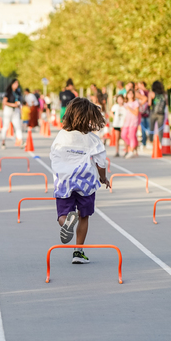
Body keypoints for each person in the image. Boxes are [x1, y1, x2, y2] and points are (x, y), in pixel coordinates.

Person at [50, 97, 109, 264]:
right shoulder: (92, 139)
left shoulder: (61, 135)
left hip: (65, 181)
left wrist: (60, 172)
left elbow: (54, 155)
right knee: (84, 216)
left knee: (63, 214)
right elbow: (101, 162)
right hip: (86, 182)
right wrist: (103, 178)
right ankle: (78, 251)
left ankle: (66, 221)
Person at [1, 78, 24, 149]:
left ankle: (21, 141)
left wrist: (19, 108)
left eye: (17, 84)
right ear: (12, 84)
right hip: (8, 110)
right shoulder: (8, 92)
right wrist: (12, 105)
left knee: (18, 126)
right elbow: (4, 102)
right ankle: (3, 142)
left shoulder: (18, 92)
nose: (17, 85)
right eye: (15, 83)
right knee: (5, 126)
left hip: (16, 111)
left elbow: (20, 101)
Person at [122, 90, 141, 158]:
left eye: (131, 93)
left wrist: (129, 108)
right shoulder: (125, 103)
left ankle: (131, 151)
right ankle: (133, 146)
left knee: (132, 136)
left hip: (133, 122)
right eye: (128, 93)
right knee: (123, 135)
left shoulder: (136, 103)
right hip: (126, 122)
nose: (130, 95)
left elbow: (136, 113)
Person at [135, 81, 151, 149]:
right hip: (147, 111)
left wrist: (140, 104)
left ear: (142, 84)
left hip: (142, 112)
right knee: (147, 128)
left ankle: (145, 142)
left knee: (144, 128)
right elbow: (150, 103)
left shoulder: (139, 92)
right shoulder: (149, 92)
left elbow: (146, 100)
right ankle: (147, 142)